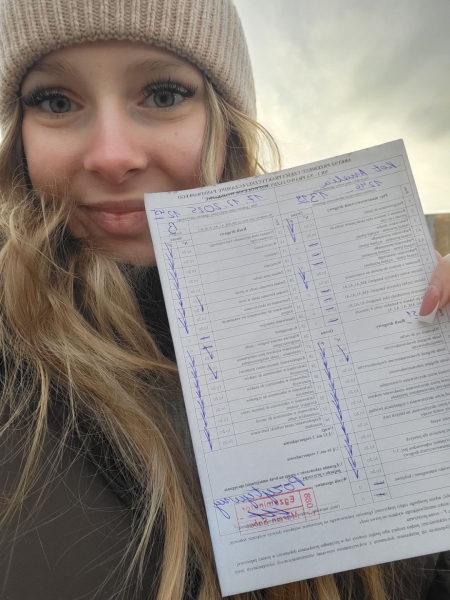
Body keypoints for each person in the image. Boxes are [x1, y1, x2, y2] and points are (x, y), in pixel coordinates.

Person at [0, 0, 449, 598]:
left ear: (228, 126)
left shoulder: (361, 322)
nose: (112, 156)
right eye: (56, 102)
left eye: (163, 95)